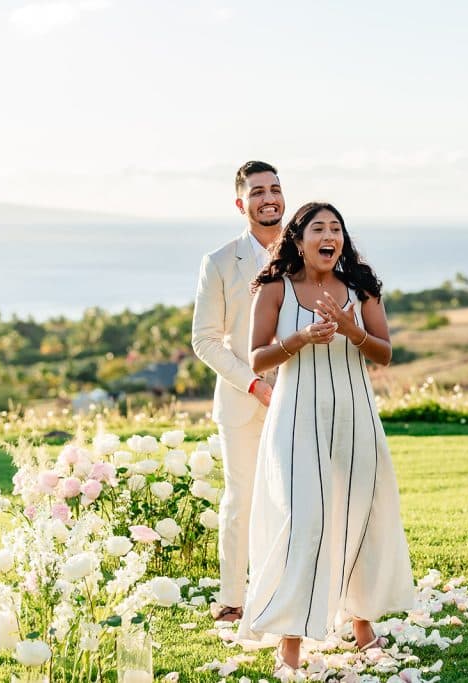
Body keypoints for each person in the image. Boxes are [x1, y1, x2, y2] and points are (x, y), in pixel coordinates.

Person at [237, 202, 415, 673]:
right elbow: (257, 358)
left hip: (356, 417)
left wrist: (352, 329)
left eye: (336, 228)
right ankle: (290, 638)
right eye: (318, 228)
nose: (329, 236)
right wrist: (300, 339)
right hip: (296, 418)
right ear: (298, 239)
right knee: (304, 520)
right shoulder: (275, 288)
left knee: (361, 515)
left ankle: (362, 623)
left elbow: (385, 354)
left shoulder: (362, 287)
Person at [192, 160, 284, 622]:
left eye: (275, 189)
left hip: (300, 395)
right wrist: (253, 384)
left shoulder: (306, 251)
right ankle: (233, 599)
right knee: (241, 498)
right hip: (242, 398)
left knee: (301, 496)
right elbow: (205, 340)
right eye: (257, 191)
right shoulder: (220, 262)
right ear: (240, 203)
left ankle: (295, 593)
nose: (268, 198)